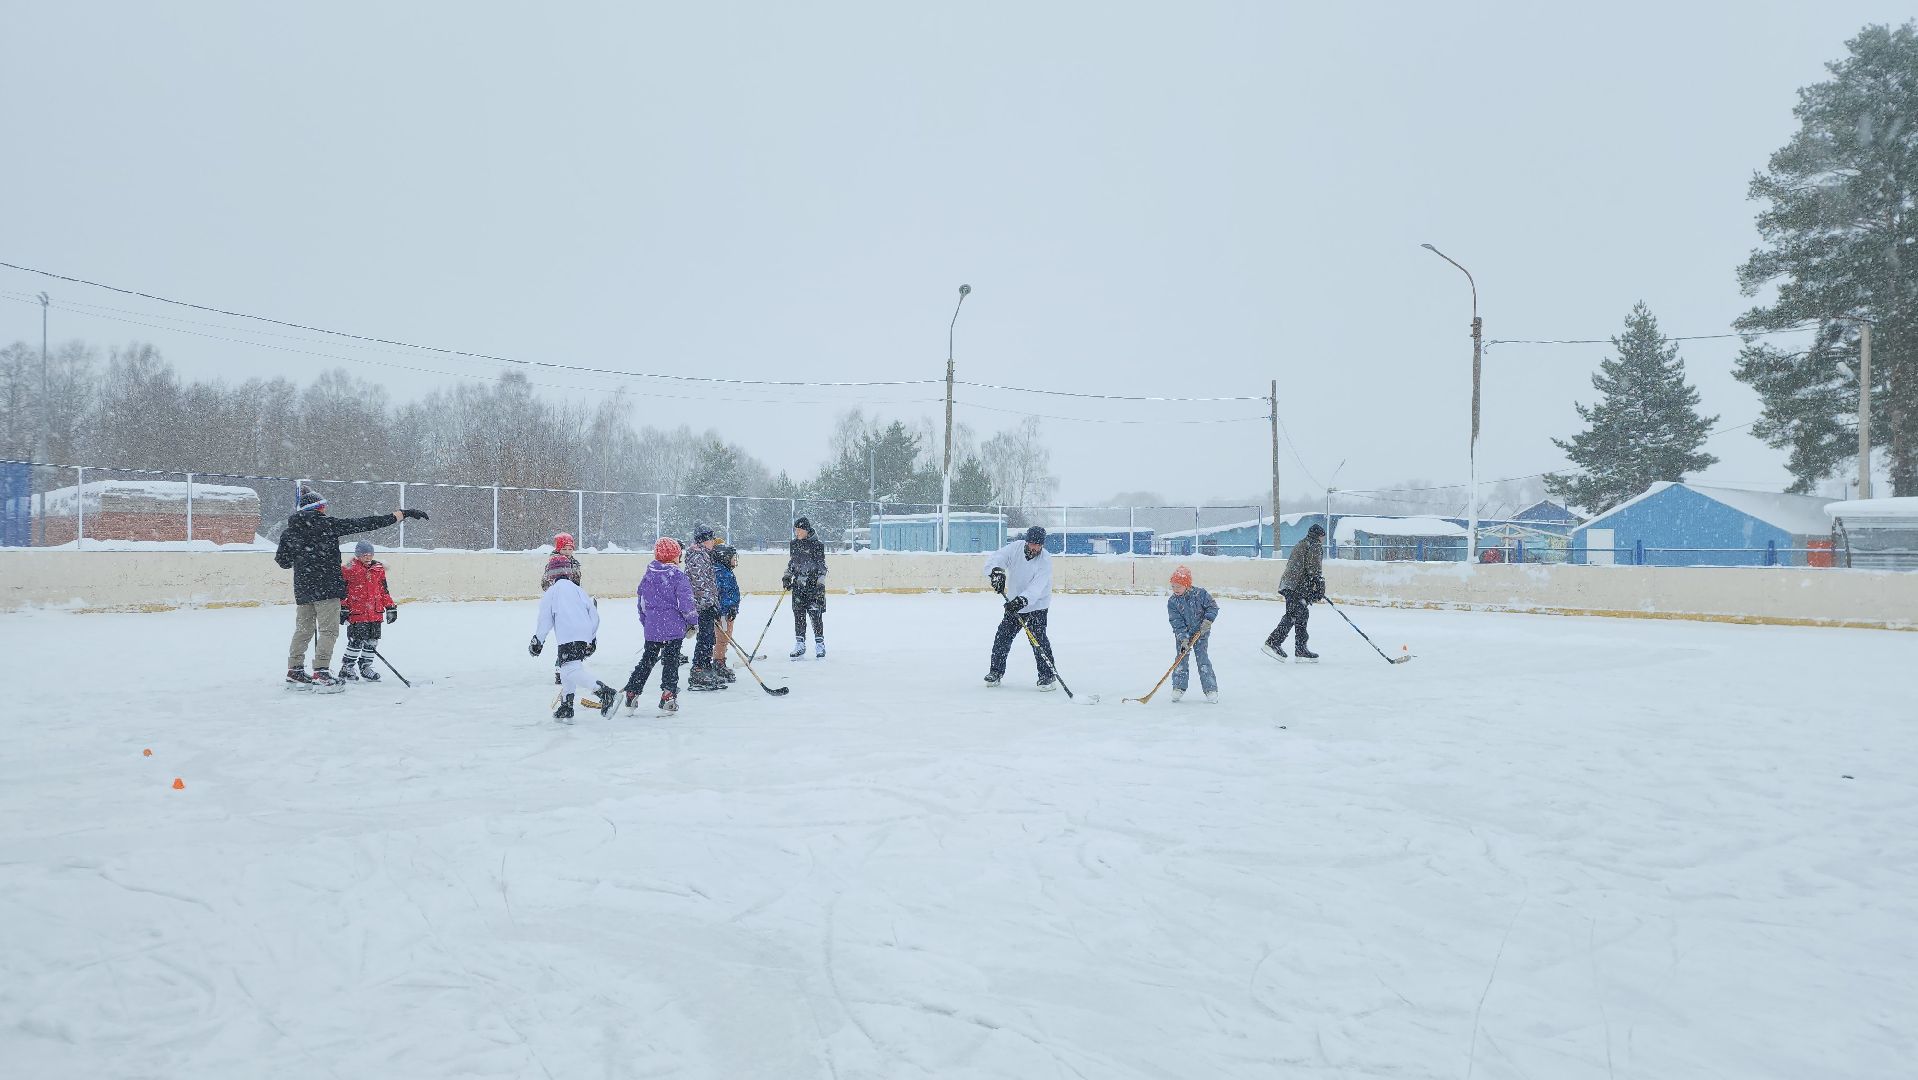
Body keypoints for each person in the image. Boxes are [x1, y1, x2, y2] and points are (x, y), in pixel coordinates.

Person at [275, 486, 425, 689]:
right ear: (319, 508)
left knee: (303, 630)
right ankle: (321, 672)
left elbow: (283, 562)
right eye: (324, 506)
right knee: (328, 631)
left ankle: (295, 670)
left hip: (303, 588)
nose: (326, 509)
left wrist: (303, 555)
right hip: (326, 589)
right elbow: (366, 523)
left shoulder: (290, 532)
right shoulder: (328, 524)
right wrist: (401, 514)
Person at [623, 537, 699, 714]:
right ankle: (668, 695)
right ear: (675, 556)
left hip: (653, 628)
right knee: (671, 661)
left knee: (647, 660)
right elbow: (686, 604)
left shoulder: (648, 576)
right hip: (674, 628)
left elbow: (641, 604)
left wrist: (647, 623)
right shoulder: (678, 576)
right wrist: (693, 623)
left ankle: (632, 690)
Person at [530, 573, 618, 723]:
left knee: (570, 669)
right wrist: (591, 638)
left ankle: (605, 693)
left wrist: (538, 640)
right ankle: (566, 705)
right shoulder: (578, 590)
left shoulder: (553, 591)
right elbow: (593, 613)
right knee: (567, 669)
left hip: (568, 635)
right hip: (583, 634)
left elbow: (545, 618)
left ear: (552, 578)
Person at [983, 525, 1059, 689]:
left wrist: (1021, 601)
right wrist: (996, 572)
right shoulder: (1015, 548)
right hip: (1014, 603)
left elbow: (1036, 589)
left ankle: (1047, 676)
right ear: (1026, 542)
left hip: (1037, 604)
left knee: (1038, 640)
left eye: (1039, 545)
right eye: (1032, 543)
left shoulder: (1045, 561)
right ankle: (995, 672)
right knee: (1002, 637)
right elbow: (997, 558)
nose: (1035, 547)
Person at [1264, 522, 1326, 662]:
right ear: (1319, 536)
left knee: (1301, 614)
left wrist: (1312, 588)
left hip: (1290, 585)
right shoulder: (1314, 545)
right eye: (1323, 537)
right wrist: (1318, 584)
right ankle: (1273, 642)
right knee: (1294, 615)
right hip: (1295, 587)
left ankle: (1300, 649)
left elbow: (1302, 568)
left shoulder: (1303, 543)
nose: (1323, 540)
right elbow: (1313, 568)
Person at [338, 540, 398, 682]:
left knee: (372, 641)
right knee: (356, 641)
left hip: (375, 613)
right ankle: (347, 667)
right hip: (357, 613)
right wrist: (343, 607)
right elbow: (342, 591)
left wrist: (390, 607)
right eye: (364, 555)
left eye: (370, 554)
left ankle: (365, 667)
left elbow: (383, 590)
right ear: (358, 555)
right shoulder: (349, 569)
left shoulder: (378, 569)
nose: (368, 557)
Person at [683, 525, 728, 690]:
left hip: (707, 605)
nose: (713, 542)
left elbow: (709, 583)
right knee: (704, 638)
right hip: (701, 607)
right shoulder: (697, 556)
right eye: (711, 539)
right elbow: (700, 584)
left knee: (709, 638)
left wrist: (714, 604)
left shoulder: (705, 555)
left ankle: (706, 666)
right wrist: (709, 605)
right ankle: (698, 670)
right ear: (703, 540)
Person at [1166, 565, 1220, 702]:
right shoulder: (1173, 602)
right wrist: (1183, 639)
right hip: (1183, 635)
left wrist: (1208, 621)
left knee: (1202, 659)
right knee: (1181, 659)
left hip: (1201, 633)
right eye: (1173, 586)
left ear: (1187, 585)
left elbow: (1212, 607)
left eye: (1178, 586)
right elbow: (1176, 622)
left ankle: (1210, 689)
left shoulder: (1200, 594)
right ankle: (1178, 687)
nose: (1175, 590)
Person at [541, 532, 583, 684]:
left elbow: (577, 583)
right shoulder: (552, 564)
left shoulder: (575, 563)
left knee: (574, 636)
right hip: (559, 606)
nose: (567, 552)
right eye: (564, 549)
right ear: (558, 549)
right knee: (564, 638)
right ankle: (560, 667)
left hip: (572, 604)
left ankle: (570, 664)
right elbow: (545, 585)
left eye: (570, 549)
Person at [783, 517, 828, 659]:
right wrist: (787, 576)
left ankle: (820, 644)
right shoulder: (794, 544)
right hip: (798, 587)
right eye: (795, 530)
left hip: (814, 587)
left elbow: (822, 567)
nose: (796, 532)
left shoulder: (817, 545)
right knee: (799, 614)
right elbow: (792, 563)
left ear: (806, 530)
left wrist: (818, 585)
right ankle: (800, 644)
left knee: (815, 615)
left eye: (799, 530)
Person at [710, 543, 742, 682]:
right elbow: (719, 596)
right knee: (722, 639)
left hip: (728, 612)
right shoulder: (719, 573)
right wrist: (726, 609)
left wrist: (734, 606)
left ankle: (719, 660)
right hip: (723, 613)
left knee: (724, 637)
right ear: (723, 558)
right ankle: (719, 662)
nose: (734, 560)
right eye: (731, 557)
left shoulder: (725, 571)